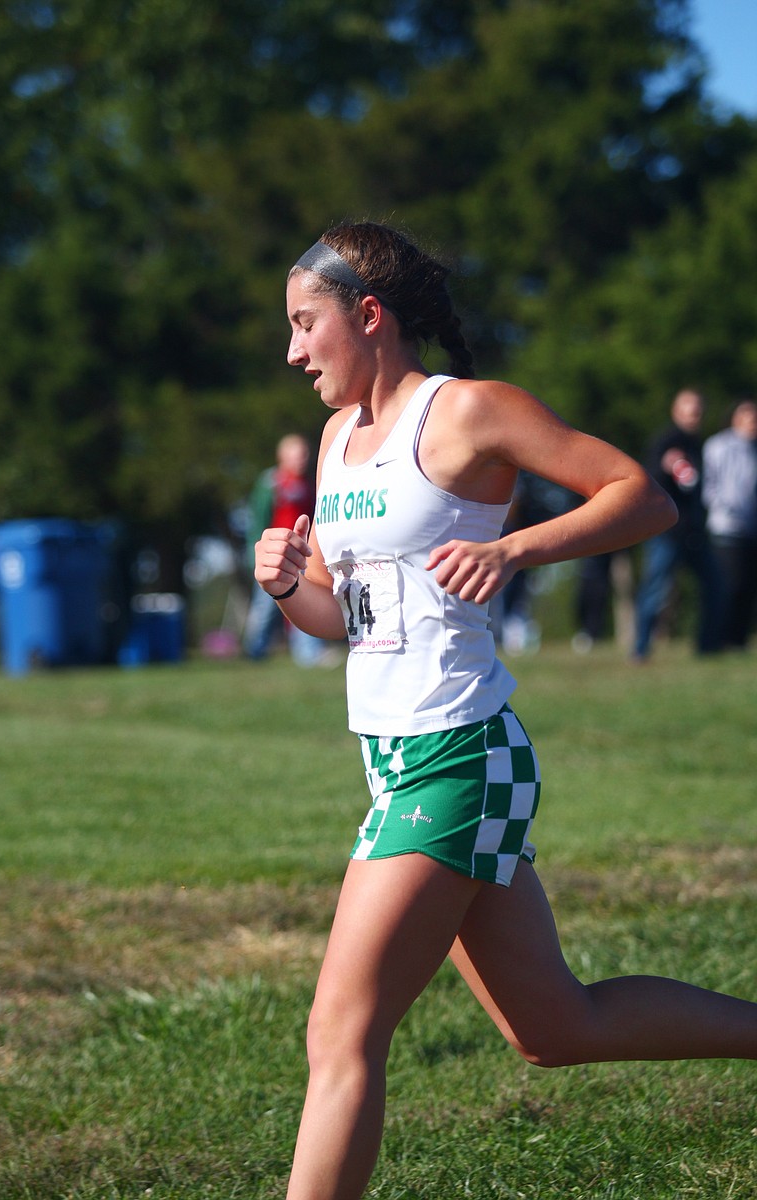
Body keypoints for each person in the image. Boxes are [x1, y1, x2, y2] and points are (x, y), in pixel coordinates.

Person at [252, 222, 757, 1200]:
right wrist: (283, 587)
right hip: (397, 761)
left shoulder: (467, 413)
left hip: (459, 754)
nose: (291, 350)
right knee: (552, 1030)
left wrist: (514, 551)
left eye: (303, 324)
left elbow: (639, 497)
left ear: (367, 315)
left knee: (340, 1033)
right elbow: (335, 617)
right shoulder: (334, 439)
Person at [632, 388, 721, 660]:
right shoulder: (668, 440)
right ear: (676, 412)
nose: (694, 415)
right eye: (689, 410)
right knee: (655, 590)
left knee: (715, 585)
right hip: (667, 533)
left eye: (698, 410)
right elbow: (652, 477)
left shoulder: (698, 443)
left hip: (693, 532)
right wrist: (669, 466)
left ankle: (707, 647)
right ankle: (640, 651)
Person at [242, 433, 335, 666]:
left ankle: (308, 654)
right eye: (296, 454)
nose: (302, 459)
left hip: (301, 554)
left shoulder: (308, 484)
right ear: (282, 456)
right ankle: (255, 650)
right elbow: (258, 519)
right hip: (273, 554)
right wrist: (255, 553)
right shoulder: (270, 483)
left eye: (304, 454)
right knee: (264, 606)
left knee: (302, 600)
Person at [703, 398, 757, 649]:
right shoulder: (718, 446)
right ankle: (720, 639)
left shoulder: (752, 449)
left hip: (750, 528)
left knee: (747, 587)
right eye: (748, 416)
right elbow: (709, 486)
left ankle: (738, 640)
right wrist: (725, 507)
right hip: (725, 527)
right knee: (730, 586)